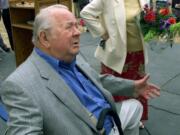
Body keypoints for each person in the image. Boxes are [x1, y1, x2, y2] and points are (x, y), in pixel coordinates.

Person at [0, 4, 160, 135]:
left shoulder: (71, 54)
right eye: (69, 27)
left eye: (77, 25)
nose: (78, 33)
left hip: (111, 117)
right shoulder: (20, 85)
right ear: (44, 38)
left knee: (135, 106)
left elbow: (96, 79)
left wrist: (132, 87)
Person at [80, 0, 155, 125]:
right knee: (115, 87)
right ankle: (113, 118)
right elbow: (86, 13)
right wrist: (102, 32)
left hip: (138, 53)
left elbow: (146, 19)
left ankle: (135, 117)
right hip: (116, 53)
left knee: (138, 86)